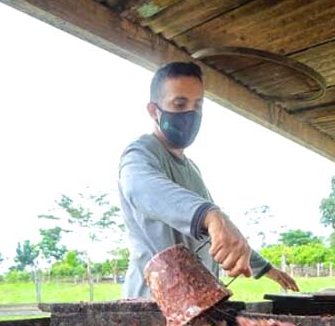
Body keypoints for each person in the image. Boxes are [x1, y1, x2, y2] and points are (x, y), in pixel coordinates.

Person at [118, 61, 299, 298]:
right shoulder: (141, 153)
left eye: (197, 105)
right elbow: (140, 188)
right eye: (179, 104)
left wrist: (265, 268)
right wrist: (210, 215)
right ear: (154, 111)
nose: (189, 114)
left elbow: (217, 233)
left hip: (196, 303)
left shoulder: (192, 170)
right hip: (151, 306)